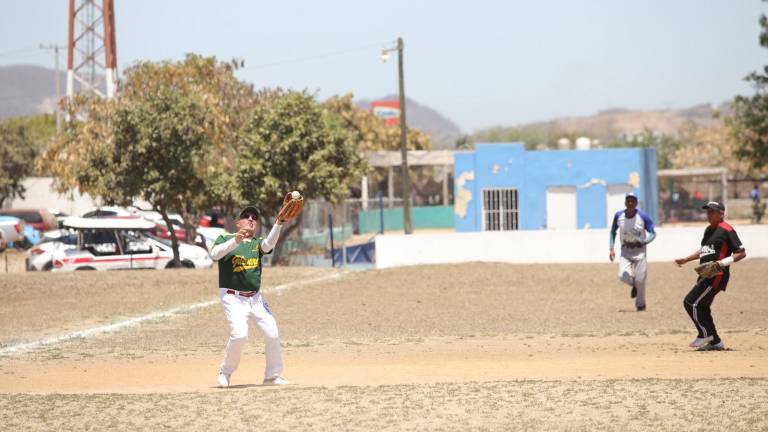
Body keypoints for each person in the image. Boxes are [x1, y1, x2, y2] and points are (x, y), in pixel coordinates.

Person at [211, 195, 303, 387]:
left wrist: (278, 223)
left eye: (255, 217)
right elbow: (215, 254)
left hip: (255, 298)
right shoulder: (226, 238)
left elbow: (268, 245)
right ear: (238, 222)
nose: (251, 219)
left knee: (272, 334)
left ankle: (272, 376)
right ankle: (225, 372)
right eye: (246, 216)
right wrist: (236, 240)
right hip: (232, 297)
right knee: (239, 335)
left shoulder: (256, 243)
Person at [675, 201, 746, 351]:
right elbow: (704, 250)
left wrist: (722, 263)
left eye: (712, 211)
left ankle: (705, 334)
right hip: (705, 274)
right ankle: (715, 342)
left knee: (690, 302)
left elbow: (741, 253)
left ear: (721, 213)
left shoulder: (727, 230)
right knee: (702, 306)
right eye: (708, 211)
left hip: (717, 275)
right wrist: (687, 259)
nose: (709, 214)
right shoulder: (708, 230)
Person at [609, 192, 656, 311]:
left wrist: (645, 241)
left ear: (636, 203)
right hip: (625, 250)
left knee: (641, 279)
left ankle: (641, 305)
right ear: (625, 202)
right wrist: (611, 248)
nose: (630, 203)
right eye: (628, 200)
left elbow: (652, 233)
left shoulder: (643, 216)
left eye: (633, 201)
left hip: (640, 251)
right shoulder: (619, 216)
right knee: (623, 275)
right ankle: (634, 285)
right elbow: (613, 232)